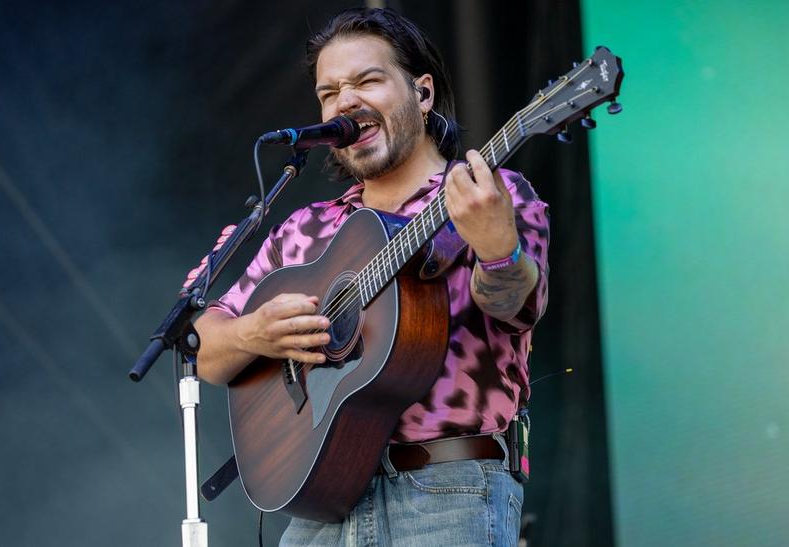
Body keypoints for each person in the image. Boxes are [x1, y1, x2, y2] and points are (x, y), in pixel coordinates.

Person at [192, 7, 549, 546]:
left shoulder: (489, 194)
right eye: (329, 92)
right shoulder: (307, 228)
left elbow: (514, 306)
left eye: (367, 81)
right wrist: (252, 334)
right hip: (318, 508)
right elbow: (206, 350)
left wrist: (497, 248)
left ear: (423, 94)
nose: (344, 103)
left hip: (447, 493)